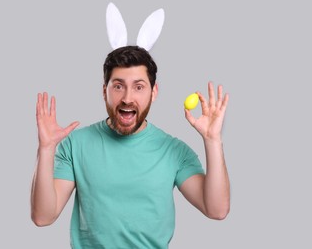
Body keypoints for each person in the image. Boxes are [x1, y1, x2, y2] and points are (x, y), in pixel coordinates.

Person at [30, 45, 230, 248]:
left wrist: (213, 140)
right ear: (104, 91)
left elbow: (216, 210)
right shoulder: (75, 144)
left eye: (139, 87)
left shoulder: (174, 151)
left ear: (154, 92)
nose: (127, 97)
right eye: (118, 86)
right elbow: (43, 217)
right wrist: (46, 148)